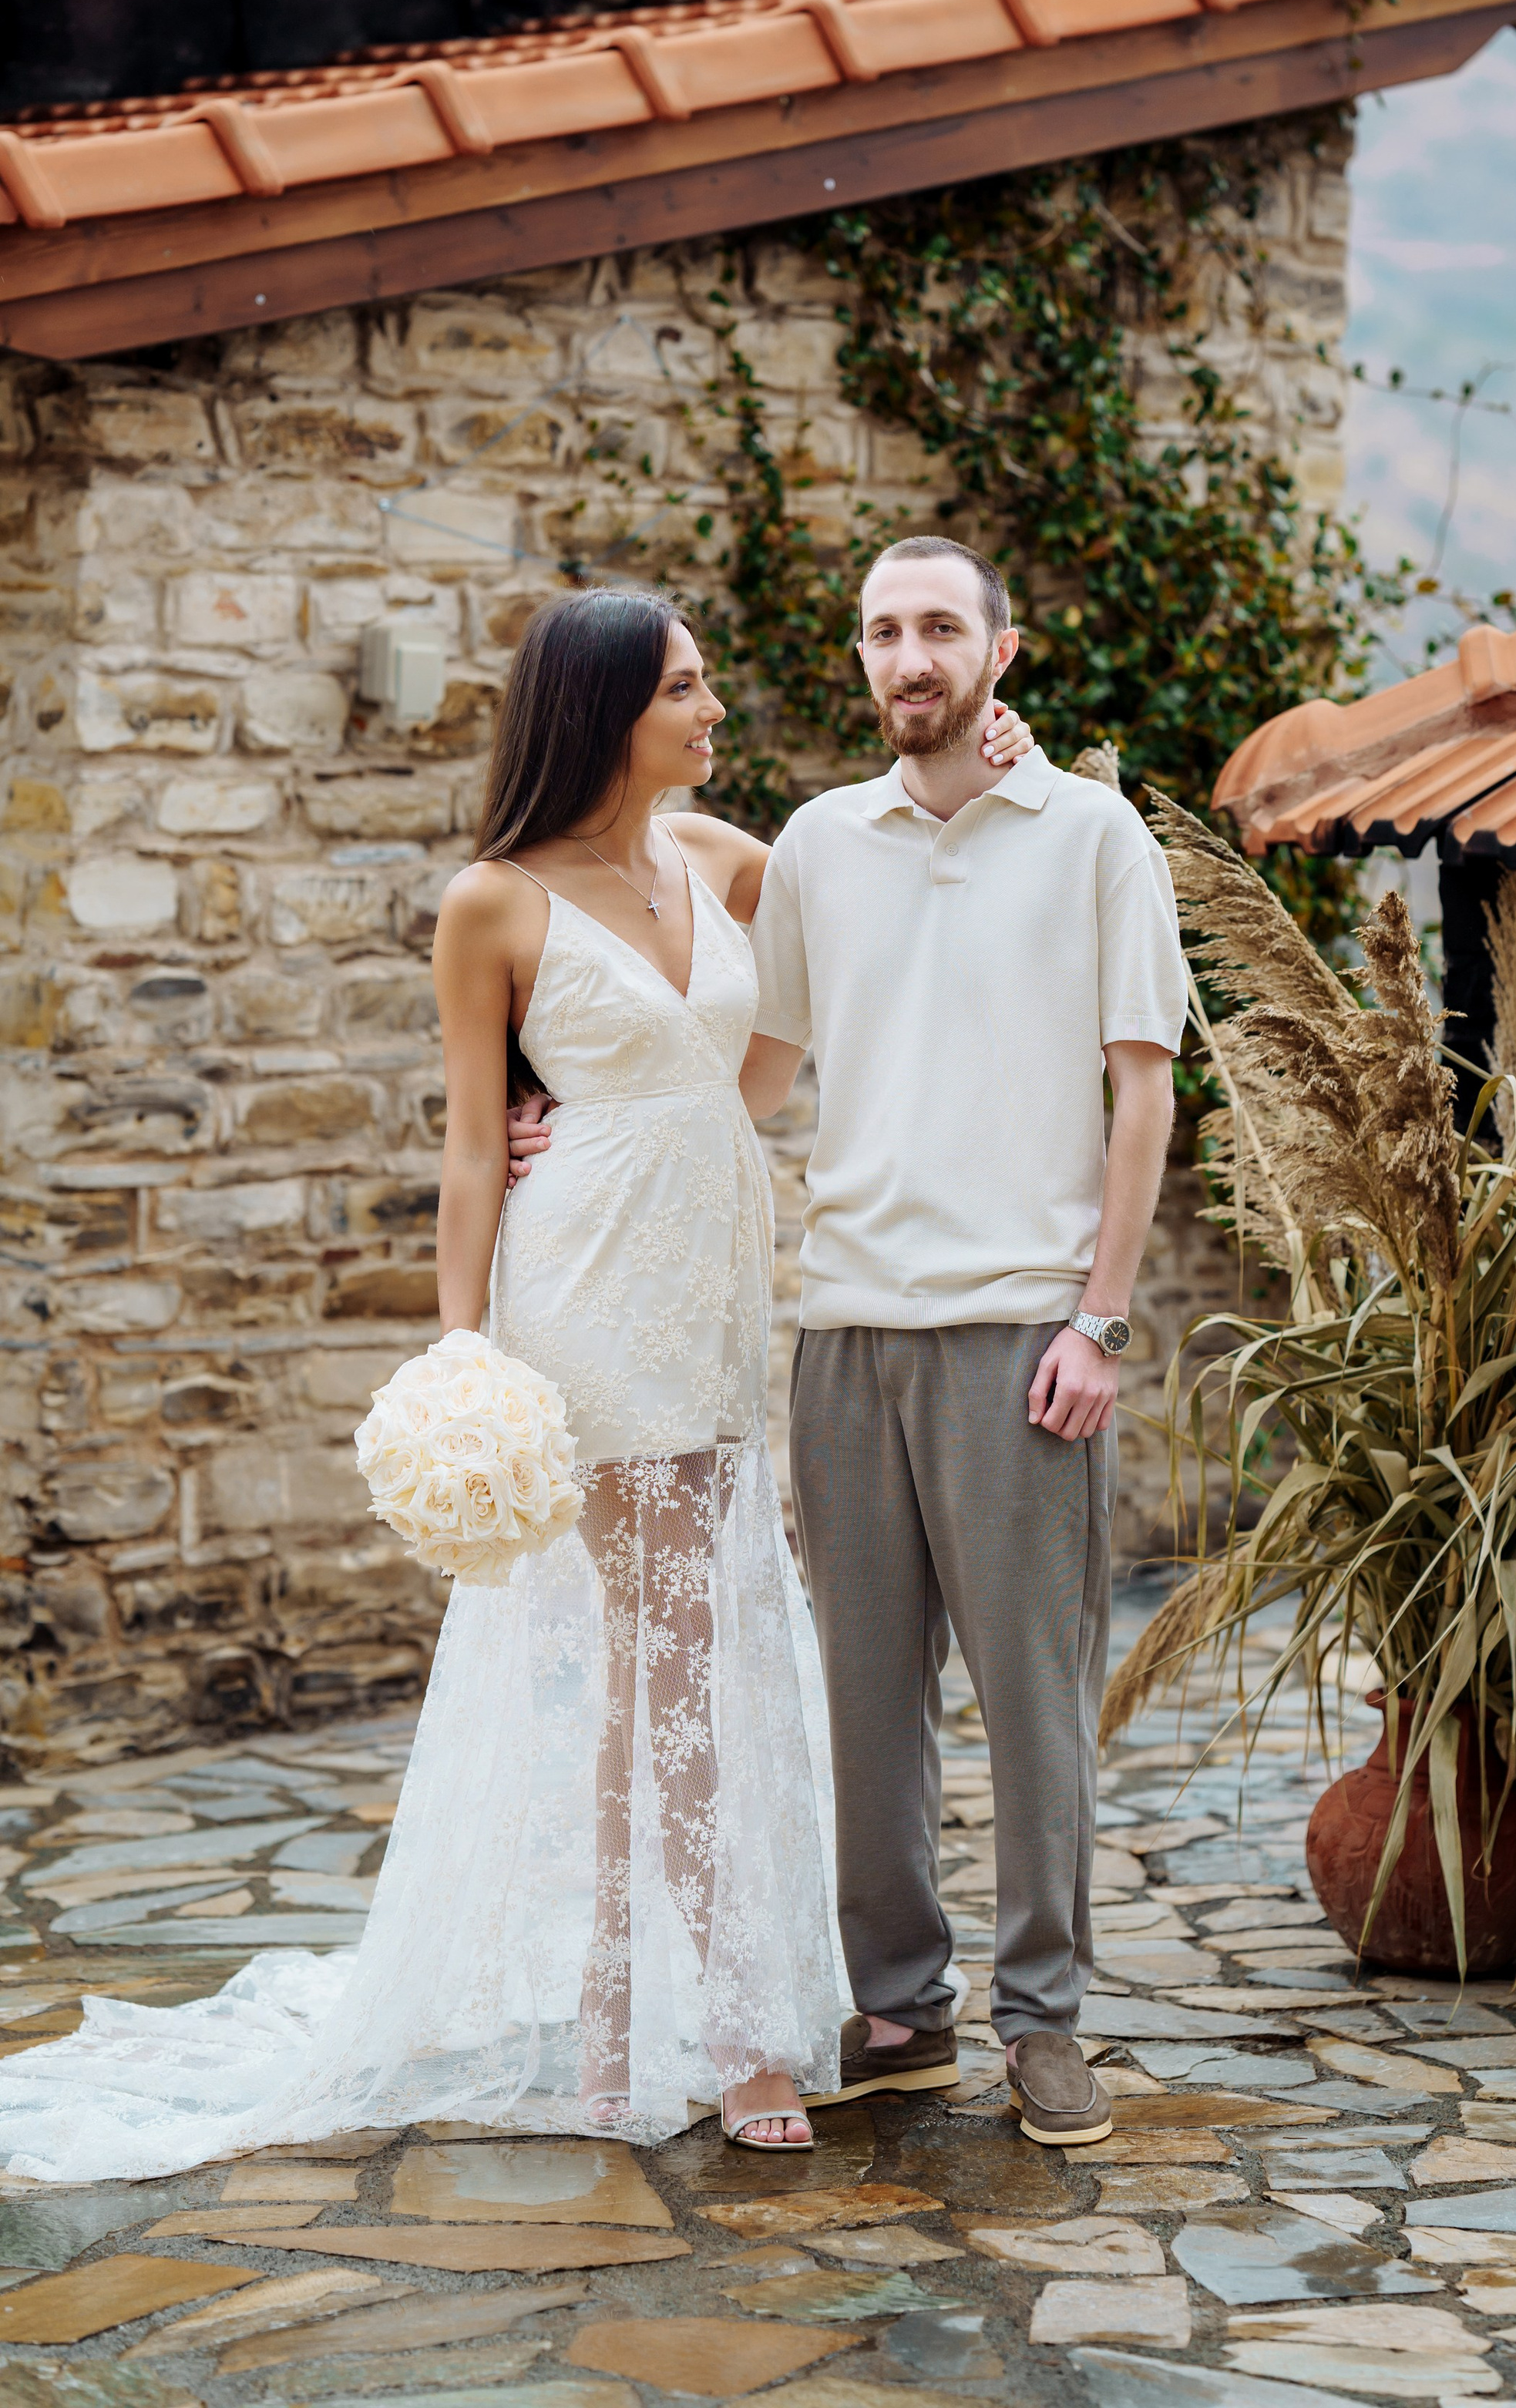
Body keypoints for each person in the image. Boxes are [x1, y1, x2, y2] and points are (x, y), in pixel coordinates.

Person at [0, 586, 1034, 2178]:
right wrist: (463, 1348)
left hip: (711, 1300)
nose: (711, 707)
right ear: (605, 707)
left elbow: (864, 892)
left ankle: (632, 2008)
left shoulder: (725, 858)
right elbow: (476, 1143)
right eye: (684, 686)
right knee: (669, 1656)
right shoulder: (492, 901)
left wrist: (980, 761)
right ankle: (740, 2026)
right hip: (589, 1298)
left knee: (698, 1647)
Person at [522, 540, 1186, 2148]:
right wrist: (596, 1122)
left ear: (1000, 649)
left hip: (1021, 1331)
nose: (910, 657)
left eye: (940, 628)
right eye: (884, 632)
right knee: (864, 1700)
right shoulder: (819, 843)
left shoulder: (1095, 835)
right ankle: (898, 2006)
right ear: (862, 659)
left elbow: (1145, 1088)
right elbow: (743, 1048)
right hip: (839, 1332)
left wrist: (1099, 1318)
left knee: (1031, 1699)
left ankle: (1043, 2024)